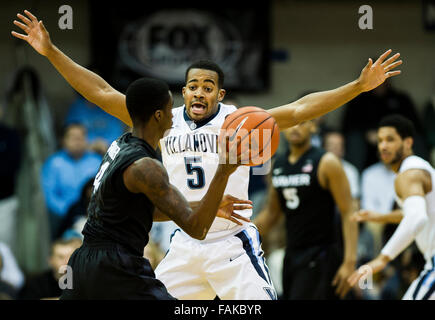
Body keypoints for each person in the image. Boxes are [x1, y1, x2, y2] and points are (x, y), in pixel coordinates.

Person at [12, 9, 402, 300]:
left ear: (221, 93)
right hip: (184, 241)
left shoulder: (239, 121)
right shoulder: (162, 118)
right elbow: (99, 92)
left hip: (232, 241)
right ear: (183, 93)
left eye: (208, 86)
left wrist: (357, 86)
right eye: (192, 85)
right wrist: (50, 52)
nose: (199, 92)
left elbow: (301, 110)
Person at [254, 120, 358, 299]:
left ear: (313, 127)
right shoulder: (278, 164)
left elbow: (349, 211)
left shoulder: (326, 162)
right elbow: (271, 213)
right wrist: (239, 235)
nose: (295, 127)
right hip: (292, 253)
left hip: (321, 254)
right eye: (292, 122)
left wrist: (349, 262)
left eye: (302, 123)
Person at [348, 114, 435, 300]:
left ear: (408, 142)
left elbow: (417, 218)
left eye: (390, 139)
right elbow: (414, 212)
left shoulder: (409, 173)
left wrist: (382, 259)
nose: (383, 146)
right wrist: (380, 217)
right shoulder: (417, 168)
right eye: (379, 141)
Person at [41, 123, 102, 238]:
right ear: (64, 141)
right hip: (62, 217)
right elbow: (49, 195)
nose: (77, 141)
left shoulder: (97, 161)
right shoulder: (54, 163)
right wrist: (70, 212)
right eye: (73, 138)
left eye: (81, 137)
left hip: (93, 216)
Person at [18, 237, 82, 300]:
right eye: (61, 257)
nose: (67, 261)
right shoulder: (35, 283)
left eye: (70, 256)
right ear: (51, 260)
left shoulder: (84, 281)